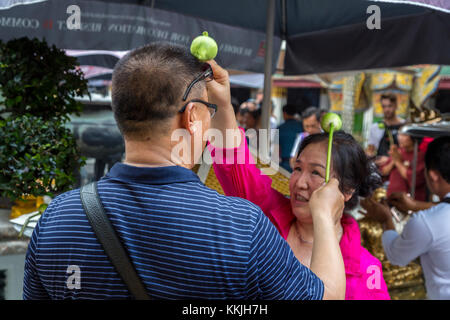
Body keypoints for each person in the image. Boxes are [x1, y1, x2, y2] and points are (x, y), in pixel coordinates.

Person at [23, 42, 346, 300]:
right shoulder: (240, 226)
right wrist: (324, 216)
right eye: (208, 111)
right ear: (192, 116)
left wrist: (221, 108)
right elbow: (326, 295)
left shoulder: (58, 217)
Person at [209, 129, 390, 300]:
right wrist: (223, 104)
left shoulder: (367, 270)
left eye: (315, 172)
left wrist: (323, 216)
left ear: (347, 191)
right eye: (297, 168)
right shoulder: (267, 214)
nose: (300, 183)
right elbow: (232, 161)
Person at [361, 136, 450, 299]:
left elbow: (397, 256)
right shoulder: (429, 218)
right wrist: (415, 206)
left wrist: (386, 220)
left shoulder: (426, 222)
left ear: (433, 175)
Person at [377, 132, 427, 201]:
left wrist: (397, 161)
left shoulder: (420, 155)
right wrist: (394, 160)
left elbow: (412, 178)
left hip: (410, 201)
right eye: (399, 134)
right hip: (391, 198)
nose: (400, 138)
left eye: (404, 135)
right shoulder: (398, 152)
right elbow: (383, 171)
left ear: (414, 137)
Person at [366, 93, 405, 158]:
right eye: (384, 106)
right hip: (380, 164)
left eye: (390, 106)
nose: (387, 110)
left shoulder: (404, 126)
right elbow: (371, 150)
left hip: (399, 163)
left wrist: (389, 160)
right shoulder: (376, 127)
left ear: (396, 106)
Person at [276, 104, 303, 172]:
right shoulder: (301, 126)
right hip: (300, 162)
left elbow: (277, 148)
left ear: (284, 113)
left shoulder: (280, 128)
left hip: (285, 163)